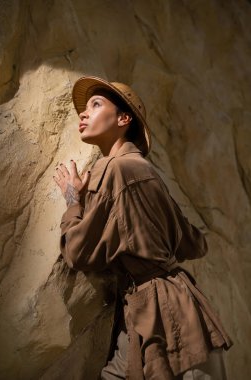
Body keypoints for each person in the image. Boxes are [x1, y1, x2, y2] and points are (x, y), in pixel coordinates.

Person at [53, 76, 233, 380]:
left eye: (95, 105)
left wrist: (73, 199)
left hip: (169, 325)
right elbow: (195, 244)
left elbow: (78, 252)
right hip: (178, 315)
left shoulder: (113, 168)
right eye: (85, 108)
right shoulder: (147, 171)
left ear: (124, 119)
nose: (83, 113)